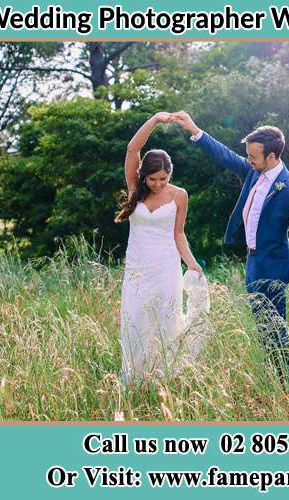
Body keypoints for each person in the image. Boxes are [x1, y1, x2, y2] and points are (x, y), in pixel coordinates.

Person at [172, 111, 289, 387]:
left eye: (253, 156)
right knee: (264, 329)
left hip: (273, 266)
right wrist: (195, 131)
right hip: (252, 264)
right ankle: (278, 380)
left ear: (271, 156)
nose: (248, 160)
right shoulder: (252, 170)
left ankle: (288, 385)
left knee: (275, 328)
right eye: (248, 155)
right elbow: (224, 155)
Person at [114, 112, 207, 387]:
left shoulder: (179, 195)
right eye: (152, 179)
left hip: (166, 267)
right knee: (135, 319)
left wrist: (192, 263)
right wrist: (155, 120)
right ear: (144, 176)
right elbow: (133, 149)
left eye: (162, 179)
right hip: (138, 267)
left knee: (165, 321)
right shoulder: (135, 189)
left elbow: (178, 233)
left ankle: (161, 378)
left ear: (170, 176)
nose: (157, 184)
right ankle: (135, 378)